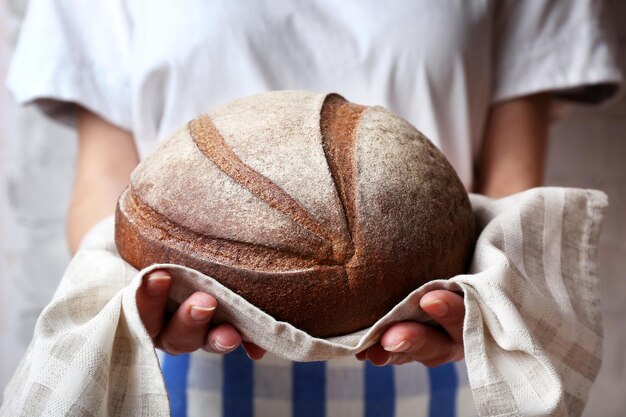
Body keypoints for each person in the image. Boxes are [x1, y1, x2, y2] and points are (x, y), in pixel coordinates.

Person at [7, 1, 621, 416]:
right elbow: (110, 183)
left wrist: (491, 295)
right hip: (185, 364)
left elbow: (510, 185)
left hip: (440, 349)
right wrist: (136, 297)